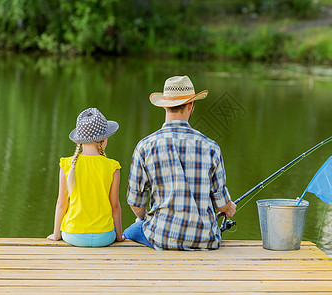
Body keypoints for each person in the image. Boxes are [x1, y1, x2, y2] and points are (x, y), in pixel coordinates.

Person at [124, 75, 236, 250]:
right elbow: (221, 203)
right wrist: (229, 207)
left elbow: (135, 202)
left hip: (161, 237)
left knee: (129, 232)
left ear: (165, 105)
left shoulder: (145, 147)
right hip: (205, 239)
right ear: (191, 105)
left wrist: (144, 217)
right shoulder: (211, 147)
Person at [47, 108, 124, 247]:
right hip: (105, 236)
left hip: (73, 235)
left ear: (79, 141)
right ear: (104, 140)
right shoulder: (113, 167)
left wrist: (56, 234)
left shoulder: (67, 165)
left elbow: (61, 204)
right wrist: (118, 236)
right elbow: (115, 206)